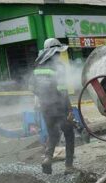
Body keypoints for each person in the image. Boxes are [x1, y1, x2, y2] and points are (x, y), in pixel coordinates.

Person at [29, 38, 75, 175]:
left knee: (53, 134)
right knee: (69, 134)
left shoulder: (38, 66)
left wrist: (44, 97)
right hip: (60, 107)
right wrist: (69, 109)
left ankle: (48, 158)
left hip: (46, 107)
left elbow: (31, 87)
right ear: (55, 52)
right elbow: (62, 91)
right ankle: (68, 167)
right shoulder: (58, 67)